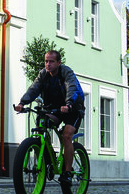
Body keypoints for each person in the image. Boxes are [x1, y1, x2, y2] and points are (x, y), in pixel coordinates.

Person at [15, 50, 85, 185]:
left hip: (73, 108)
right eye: (46, 61)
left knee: (66, 136)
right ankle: (47, 159)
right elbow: (34, 89)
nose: (48, 64)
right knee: (42, 122)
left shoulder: (66, 72)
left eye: (51, 61)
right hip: (55, 108)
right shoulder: (43, 74)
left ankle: (68, 172)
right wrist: (22, 103)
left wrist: (69, 103)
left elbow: (71, 87)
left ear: (58, 62)